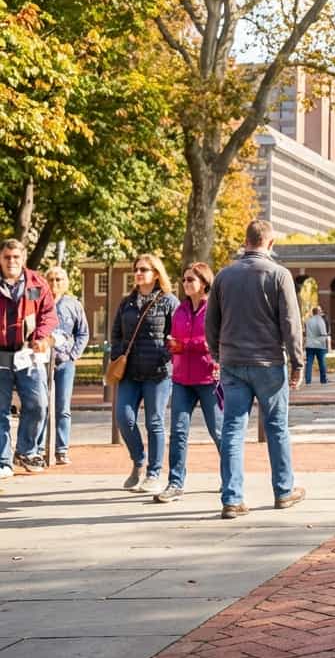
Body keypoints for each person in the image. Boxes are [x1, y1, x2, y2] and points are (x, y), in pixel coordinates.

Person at [206, 219, 306, 520]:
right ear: (270, 243)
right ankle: (284, 490)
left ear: (245, 240)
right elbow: (291, 323)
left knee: (233, 430)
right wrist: (298, 363)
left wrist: (216, 353)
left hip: (233, 363)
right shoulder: (279, 275)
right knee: (276, 428)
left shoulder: (224, 276)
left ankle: (232, 498)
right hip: (268, 363)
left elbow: (211, 322)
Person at [111, 254, 179, 494]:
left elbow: (177, 336)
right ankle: (139, 460)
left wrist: (165, 356)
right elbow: (117, 334)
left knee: (155, 422)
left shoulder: (169, 302)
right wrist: (118, 355)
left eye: (144, 269)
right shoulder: (126, 302)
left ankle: (153, 473)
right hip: (130, 373)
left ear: (156, 274)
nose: (138, 273)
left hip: (158, 373)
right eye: (136, 269)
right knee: (124, 417)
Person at [158, 262, 222, 503]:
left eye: (191, 280)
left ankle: (230, 478)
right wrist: (172, 346)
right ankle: (175, 483)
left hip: (207, 378)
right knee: (178, 432)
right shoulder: (180, 310)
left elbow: (212, 341)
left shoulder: (213, 309)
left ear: (204, 283)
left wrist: (185, 345)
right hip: (182, 379)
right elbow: (175, 339)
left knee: (218, 431)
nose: (186, 283)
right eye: (184, 279)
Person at [0, 239, 58, 478]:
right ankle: (3, 460)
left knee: (38, 404)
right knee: (0, 410)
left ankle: (26, 450)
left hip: (28, 355)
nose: (11, 261)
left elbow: (49, 315)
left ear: (23, 258)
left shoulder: (37, 282)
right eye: (6, 257)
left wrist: (41, 336)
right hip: (0, 355)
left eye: (15, 257)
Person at [41, 266, 90, 465]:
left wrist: (72, 354)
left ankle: (61, 449)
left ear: (66, 281)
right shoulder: (38, 303)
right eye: (51, 279)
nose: (55, 283)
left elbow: (83, 333)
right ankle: (38, 449)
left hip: (64, 363)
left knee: (62, 407)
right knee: (40, 406)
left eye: (59, 279)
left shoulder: (73, 305)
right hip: (42, 363)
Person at [303, 306, 329, 385]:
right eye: (320, 311)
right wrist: (325, 342)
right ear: (318, 312)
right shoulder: (320, 320)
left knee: (309, 363)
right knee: (322, 363)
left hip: (310, 344)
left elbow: (306, 332)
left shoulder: (308, 321)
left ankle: (308, 380)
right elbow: (323, 332)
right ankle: (323, 380)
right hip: (319, 345)